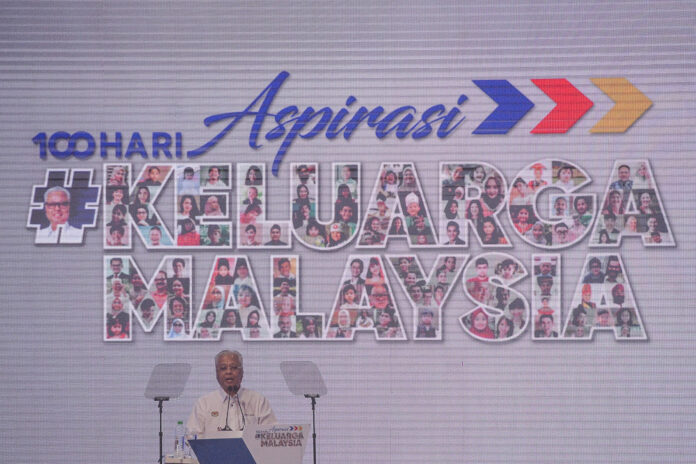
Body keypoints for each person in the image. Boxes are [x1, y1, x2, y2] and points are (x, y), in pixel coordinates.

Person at [187, 351, 276, 436]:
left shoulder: (258, 401)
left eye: (234, 367)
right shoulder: (204, 403)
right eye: (223, 368)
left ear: (242, 372)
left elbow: (271, 435)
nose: (228, 372)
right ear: (217, 373)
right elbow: (192, 436)